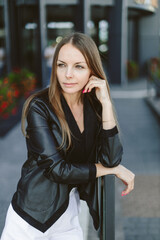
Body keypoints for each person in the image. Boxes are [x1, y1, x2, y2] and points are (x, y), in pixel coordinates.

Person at [0, 32, 135, 240]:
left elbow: (111, 158)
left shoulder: (94, 106)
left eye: (79, 66)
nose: (68, 74)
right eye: (61, 65)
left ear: (92, 70)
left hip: (67, 214)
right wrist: (112, 169)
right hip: (29, 219)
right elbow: (57, 169)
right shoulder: (40, 106)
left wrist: (107, 104)